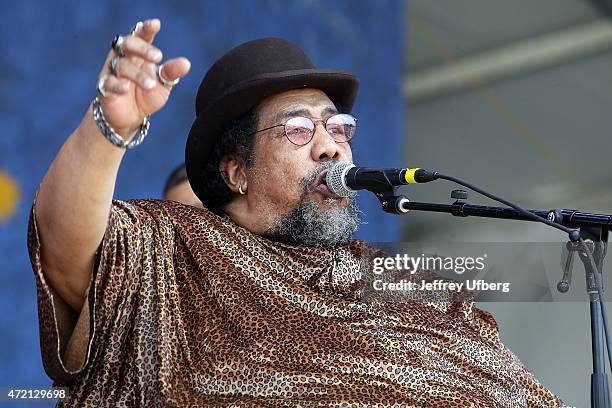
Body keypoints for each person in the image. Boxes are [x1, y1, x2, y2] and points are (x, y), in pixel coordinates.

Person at [28, 19, 567, 407]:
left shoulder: (411, 282)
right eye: (298, 129)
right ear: (237, 172)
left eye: (338, 128)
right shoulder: (178, 249)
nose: (331, 147)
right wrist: (110, 128)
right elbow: (67, 243)